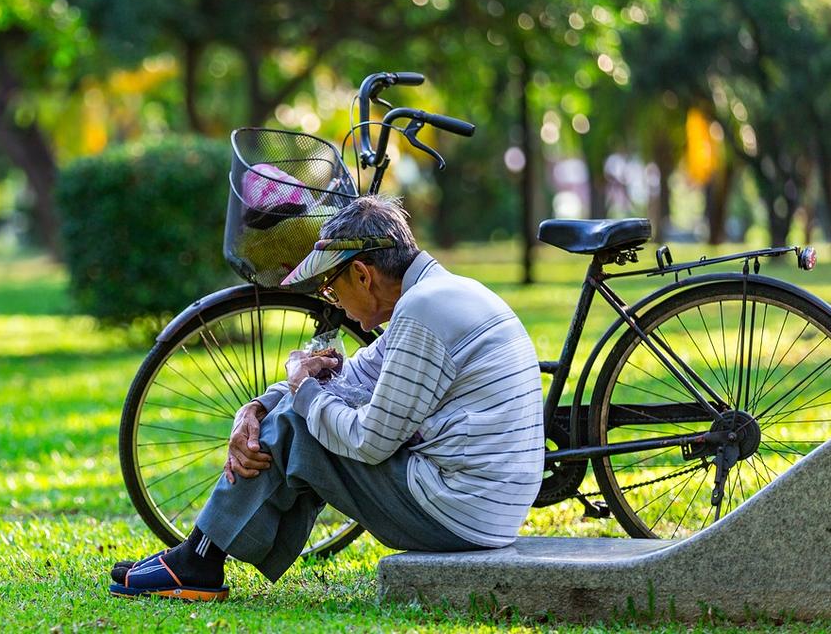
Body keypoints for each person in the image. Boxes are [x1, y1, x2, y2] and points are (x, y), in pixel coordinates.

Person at [110, 196, 544, 601]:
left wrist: (302, 393)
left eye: (332, 286)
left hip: (459, 513)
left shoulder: (423, 312)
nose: (330, 298)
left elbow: (368, 442)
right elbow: (355, 375)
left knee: (299, 422)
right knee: (298, 410)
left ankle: (197, 562)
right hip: (483, 509)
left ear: (362, 274)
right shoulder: (439, 294)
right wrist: (259, 405)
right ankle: (198, 556)